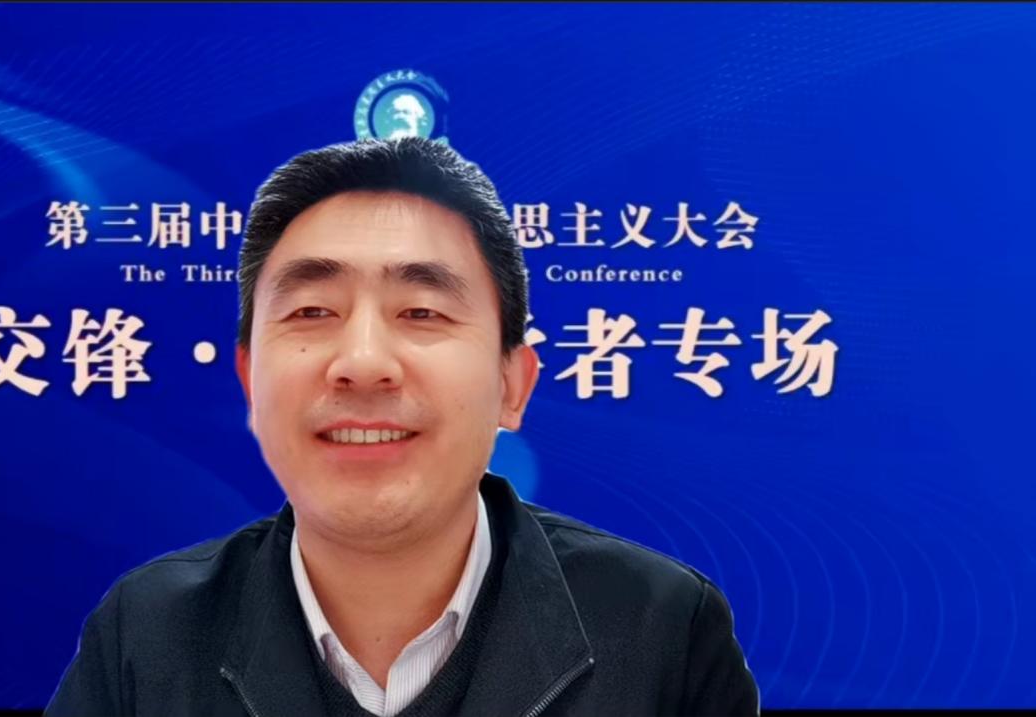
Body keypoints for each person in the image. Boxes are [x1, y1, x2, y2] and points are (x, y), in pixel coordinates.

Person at [45, 137, 760, 716]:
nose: (362, 363)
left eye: (422, 311)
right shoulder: (147, 632)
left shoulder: (662, 627)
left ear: (512, 386)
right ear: (250, 382)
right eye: (312, 311)